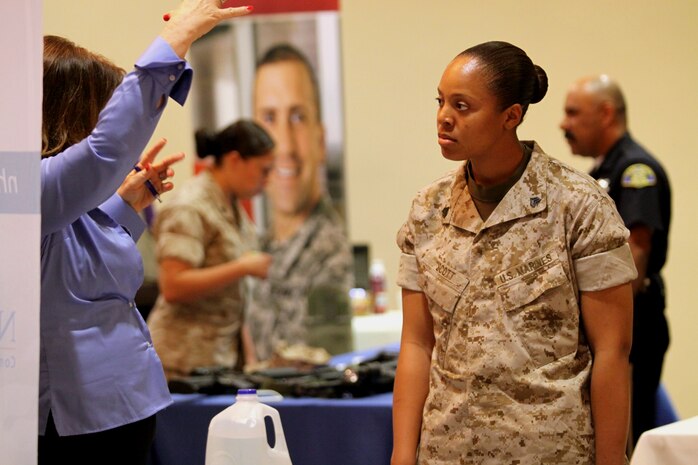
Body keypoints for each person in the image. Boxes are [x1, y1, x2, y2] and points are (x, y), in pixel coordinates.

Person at [392, 41, 637, 465]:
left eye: (463, 105)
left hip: (550, 451)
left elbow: (612, 351)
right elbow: (416, 344)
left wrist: (612, 460)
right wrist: (401, 454)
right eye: (441, 101)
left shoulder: (578, 205)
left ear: (511, 116)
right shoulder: (427, 210)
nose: (444, 116)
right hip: (447, 450)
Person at [38, 2, 251, 464]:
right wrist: (178, 40)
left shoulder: (60, 198)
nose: (104, 121)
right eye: (98, 110)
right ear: (66, 112)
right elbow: (104, 152)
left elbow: (72, 266)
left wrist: (123, 207)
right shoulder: (22, 184)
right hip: (78, 421)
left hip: (123, 405)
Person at [561, 75, 672, 447]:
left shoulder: (635, 171)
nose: (564, 124)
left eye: (573, 113)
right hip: (607, 325)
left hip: (631, 323)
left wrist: (605, 324)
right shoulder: (601, 172)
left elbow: (636, 252)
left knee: (624, 436)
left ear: (606, 113)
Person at [245, 43, 354, 362]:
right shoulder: (256, 247)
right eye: (268, 118)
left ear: (321, 141)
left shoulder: (332, 252)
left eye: (297, 116)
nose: (284, 145)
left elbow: (325, 363)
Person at [147, 120, 274, 380]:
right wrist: (241, 268)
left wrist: (249, 358)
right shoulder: (190, 206)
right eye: (263, 171)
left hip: (219, 358)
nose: (267, 181)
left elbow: (235, 298)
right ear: (235, 160)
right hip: (181, 363)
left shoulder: (232, 204)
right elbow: (172, 285)